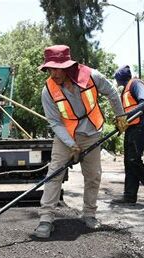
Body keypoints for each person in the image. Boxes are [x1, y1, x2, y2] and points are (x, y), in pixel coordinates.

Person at [34, 45, 128, 239]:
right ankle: (46, 219)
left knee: (93, 175)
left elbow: (111, 92)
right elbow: (54, 121)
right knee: (54, 173)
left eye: (57, 68)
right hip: (65, 136)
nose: (54, 73)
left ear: (68, 66)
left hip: (92, 131)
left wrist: (120, 116)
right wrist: (71, 144)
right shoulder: (48, 90)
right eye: (50, 69)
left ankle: (89, 214)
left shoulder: (92, 76)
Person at [110, 65, 144, 208]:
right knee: (129, 161)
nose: (117, 83)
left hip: (140, 128)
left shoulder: (136, 84)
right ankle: (129, 196)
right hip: (131, 128)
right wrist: (121, 122)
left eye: (117, 80)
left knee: (134, 160)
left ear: (121, 78)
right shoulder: (126, 89)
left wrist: (126, 116)